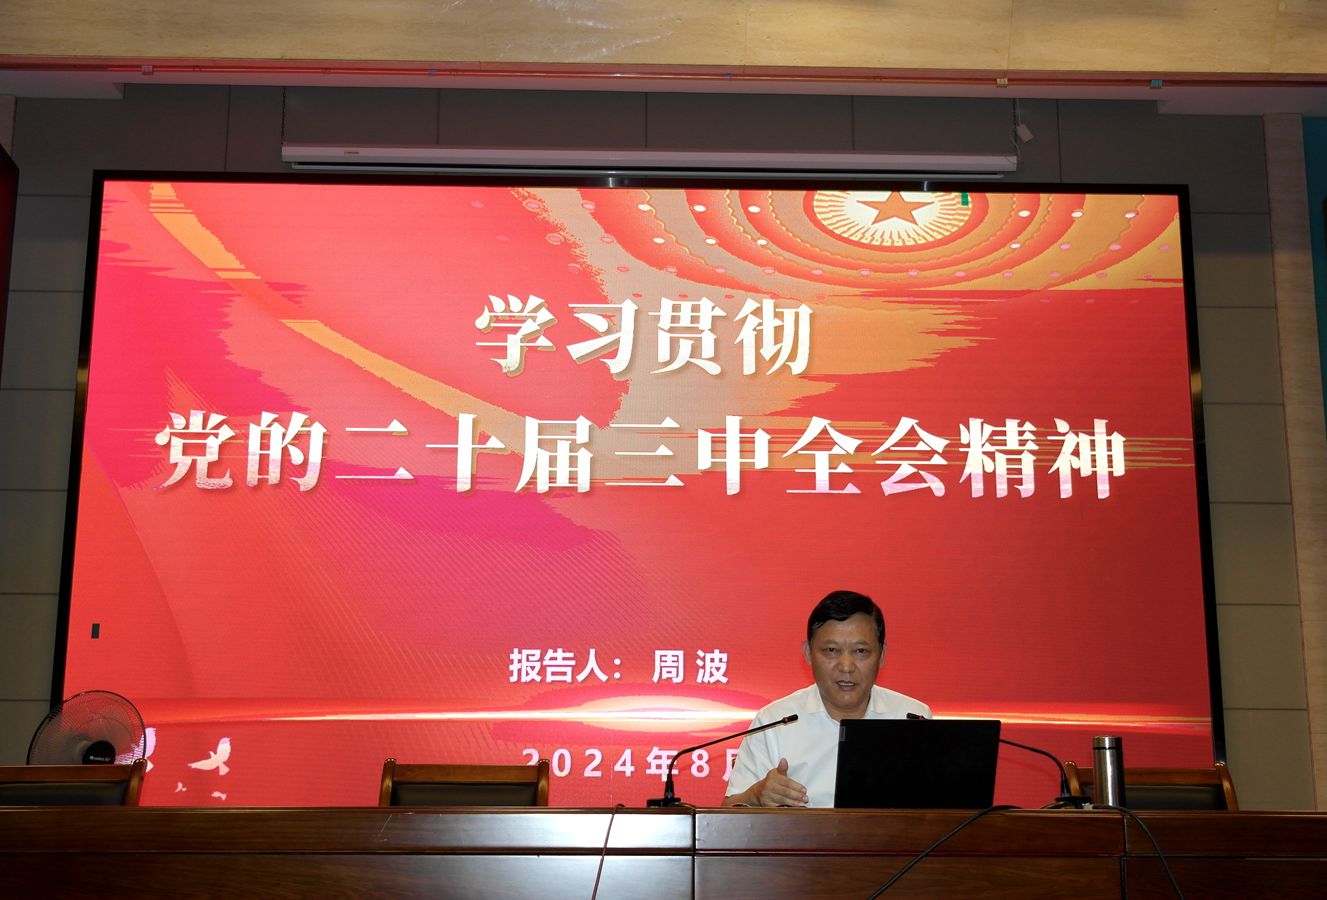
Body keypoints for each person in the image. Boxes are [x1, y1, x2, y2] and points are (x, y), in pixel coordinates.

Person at [722, 589, 930, 807]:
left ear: (882, 655)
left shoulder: (912, 718)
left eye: (860, 651)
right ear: (808, 653)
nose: (846, 666)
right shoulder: (775, 721)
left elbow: (941, 812)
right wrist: (756, 796)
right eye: (831, 650)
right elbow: (728, 812)